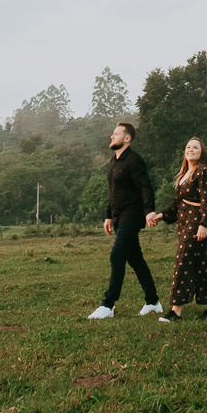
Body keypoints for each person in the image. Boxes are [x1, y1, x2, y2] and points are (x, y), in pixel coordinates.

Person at [87, 121, 163, 320]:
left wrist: (149, 212)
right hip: (119, 216)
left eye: (116, 134)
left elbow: (145, 186)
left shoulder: (134, 161)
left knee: (116, 255)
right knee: (135, 259)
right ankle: (153, 302)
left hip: (133, 215)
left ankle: (108, 305)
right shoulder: (114, 161)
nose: (112, 136)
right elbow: (113, 191)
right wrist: (108, 216)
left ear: (127, 138)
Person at [147, 137, 207, 321]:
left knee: (183, 263)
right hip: (184, 223)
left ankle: (176, 311)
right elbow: (178, 203)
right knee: (204, 265)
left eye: (195, 147)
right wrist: (161, 216)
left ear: (202, 152)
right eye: (188, 147)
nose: (191, 149)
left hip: (197, 224)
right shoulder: (185, 174)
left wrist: (204, 224)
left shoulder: (203, 172)